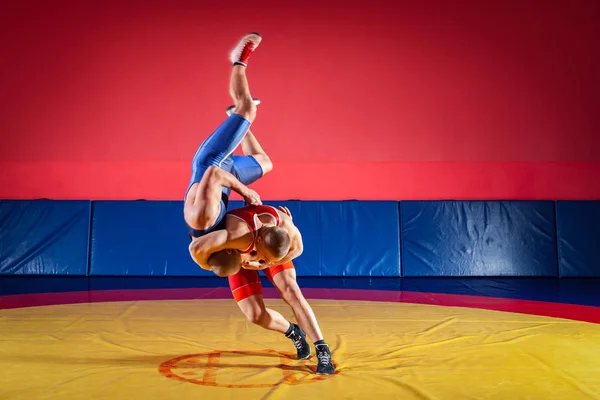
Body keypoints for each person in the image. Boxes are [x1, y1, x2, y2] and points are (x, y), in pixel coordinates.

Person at [184, 32, 270, 243]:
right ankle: (235, 117)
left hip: (213, 162)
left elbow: (213, 173)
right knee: (264, 163)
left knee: (248, 108)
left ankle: (239, 58)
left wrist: (246, 192)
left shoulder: (203, 220)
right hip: (227, 173)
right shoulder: (215, 233)